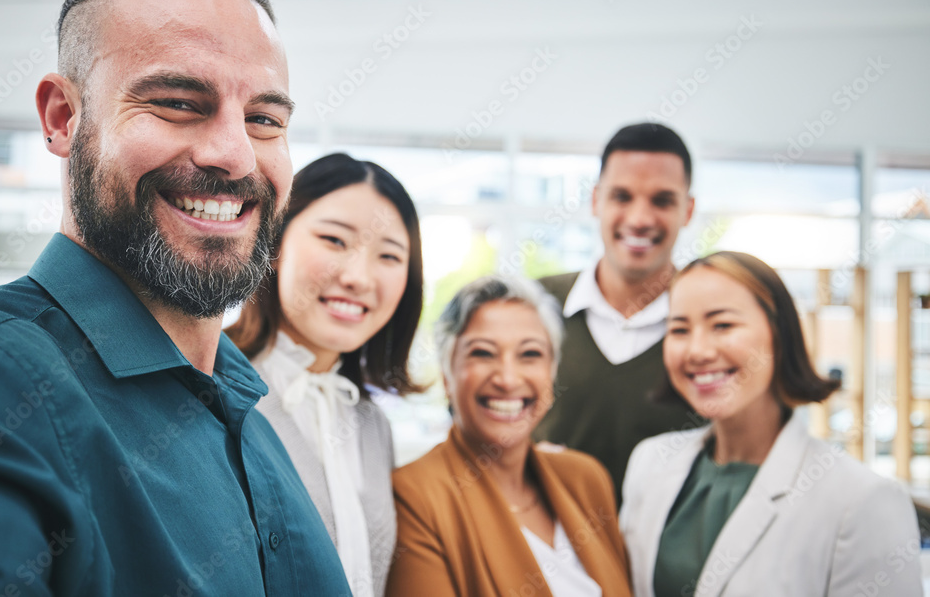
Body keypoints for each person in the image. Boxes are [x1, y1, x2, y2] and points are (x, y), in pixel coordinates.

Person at [0, 0, 351, 596]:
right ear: (63, 117)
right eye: (180, 102)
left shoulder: (245, 405)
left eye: (264, 118)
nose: (236, 156)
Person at [619, 251, 921, 597]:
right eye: (679, 329)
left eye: (723, 325)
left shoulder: (862, 499)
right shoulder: (650, 463)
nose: (697, 351)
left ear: (780, 336)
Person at [226, 152, 424, 597]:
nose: (358, 277)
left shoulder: (373, 424)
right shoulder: (217, 393)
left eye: (389, 255)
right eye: (335, 241)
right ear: (273, 244)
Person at [387, 276, 632, 597]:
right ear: (447, 375)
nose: (507, 378)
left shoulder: (586, 479)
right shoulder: (415, 497)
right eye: (483, 353)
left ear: (552, 372)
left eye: (530, 354)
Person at [534, 122, 701, 504]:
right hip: (539, 557)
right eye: (622, 196)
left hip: (672, 560)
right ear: (596, 200)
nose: (640, 218)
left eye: (662, 200)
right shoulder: (535, 305)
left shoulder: (707, 323)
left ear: (687, 210)